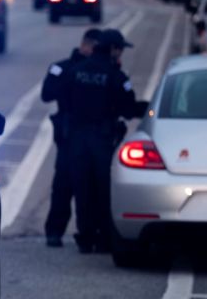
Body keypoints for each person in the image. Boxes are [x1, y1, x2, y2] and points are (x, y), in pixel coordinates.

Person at [63, 29, 138, 253]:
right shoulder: (116, 76)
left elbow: (64, 100)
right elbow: (128, 107)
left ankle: (85, 237)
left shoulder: (76, 71)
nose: (121, 53)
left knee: (82, 188)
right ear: (113, 49)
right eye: (121, 48)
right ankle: (105, 238)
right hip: (103, 140)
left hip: (77, 139)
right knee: (104, 190)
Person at [41, 28, 102, 247]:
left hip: (92, 135)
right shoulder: (63, 67)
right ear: (85, 45)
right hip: (68, 134)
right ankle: (55, 231)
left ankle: (89, 232)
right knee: (64, 183)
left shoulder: (102, 70)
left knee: (91, 185)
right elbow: (47, 94)